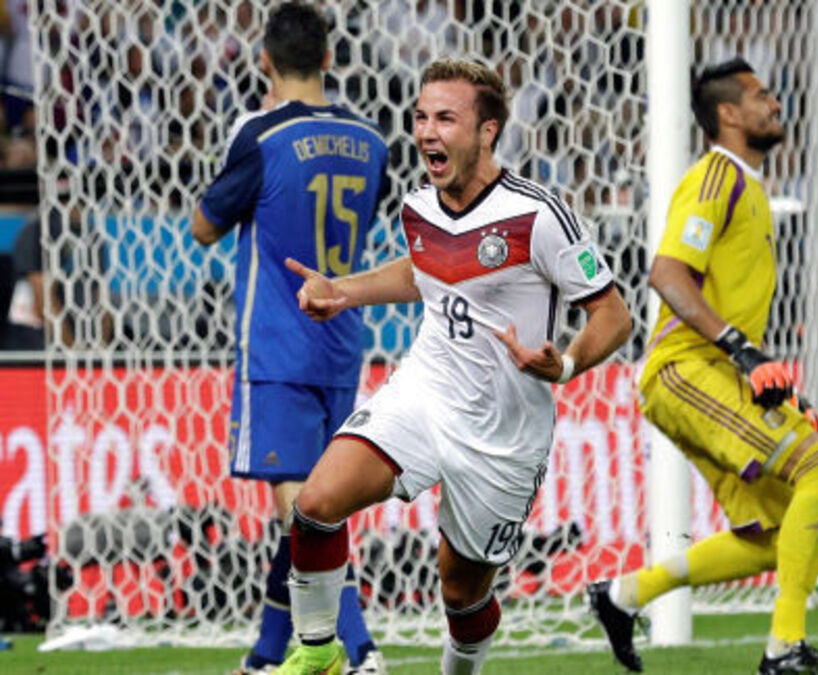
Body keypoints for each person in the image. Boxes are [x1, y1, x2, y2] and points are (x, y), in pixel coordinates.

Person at [275, 57, 632, 675]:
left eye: (444, 118)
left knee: (461, 593)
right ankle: (318, 653)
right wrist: (344, 290)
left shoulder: (538, 215)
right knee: (317, 502)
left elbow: (614, 315)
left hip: (502, 433)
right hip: (426, 392)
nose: (426, 132)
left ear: (486, 131)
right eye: (420, 117)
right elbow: (424, 270)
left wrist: (567, 363)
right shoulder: (420, 205)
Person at [587, 57, 818, 675]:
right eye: (762, 96)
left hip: (720, 374)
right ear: (729, 114)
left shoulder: (751, 187)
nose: (776, 104)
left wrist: (777, 389)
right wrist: (741, 349)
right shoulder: (716, 178)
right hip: (684, 370)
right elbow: (667, 273)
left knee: (776, 533)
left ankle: (624, 596)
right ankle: (784, 651)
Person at [189, 3, 388, 672]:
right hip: (342, 343)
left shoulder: (262, 135)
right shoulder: (372, 140)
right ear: (329, 59)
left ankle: (359, 649)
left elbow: (203, 227)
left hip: (278, 345)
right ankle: (267, 651)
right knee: (317, 503)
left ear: (264, 63)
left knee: (304, 511)